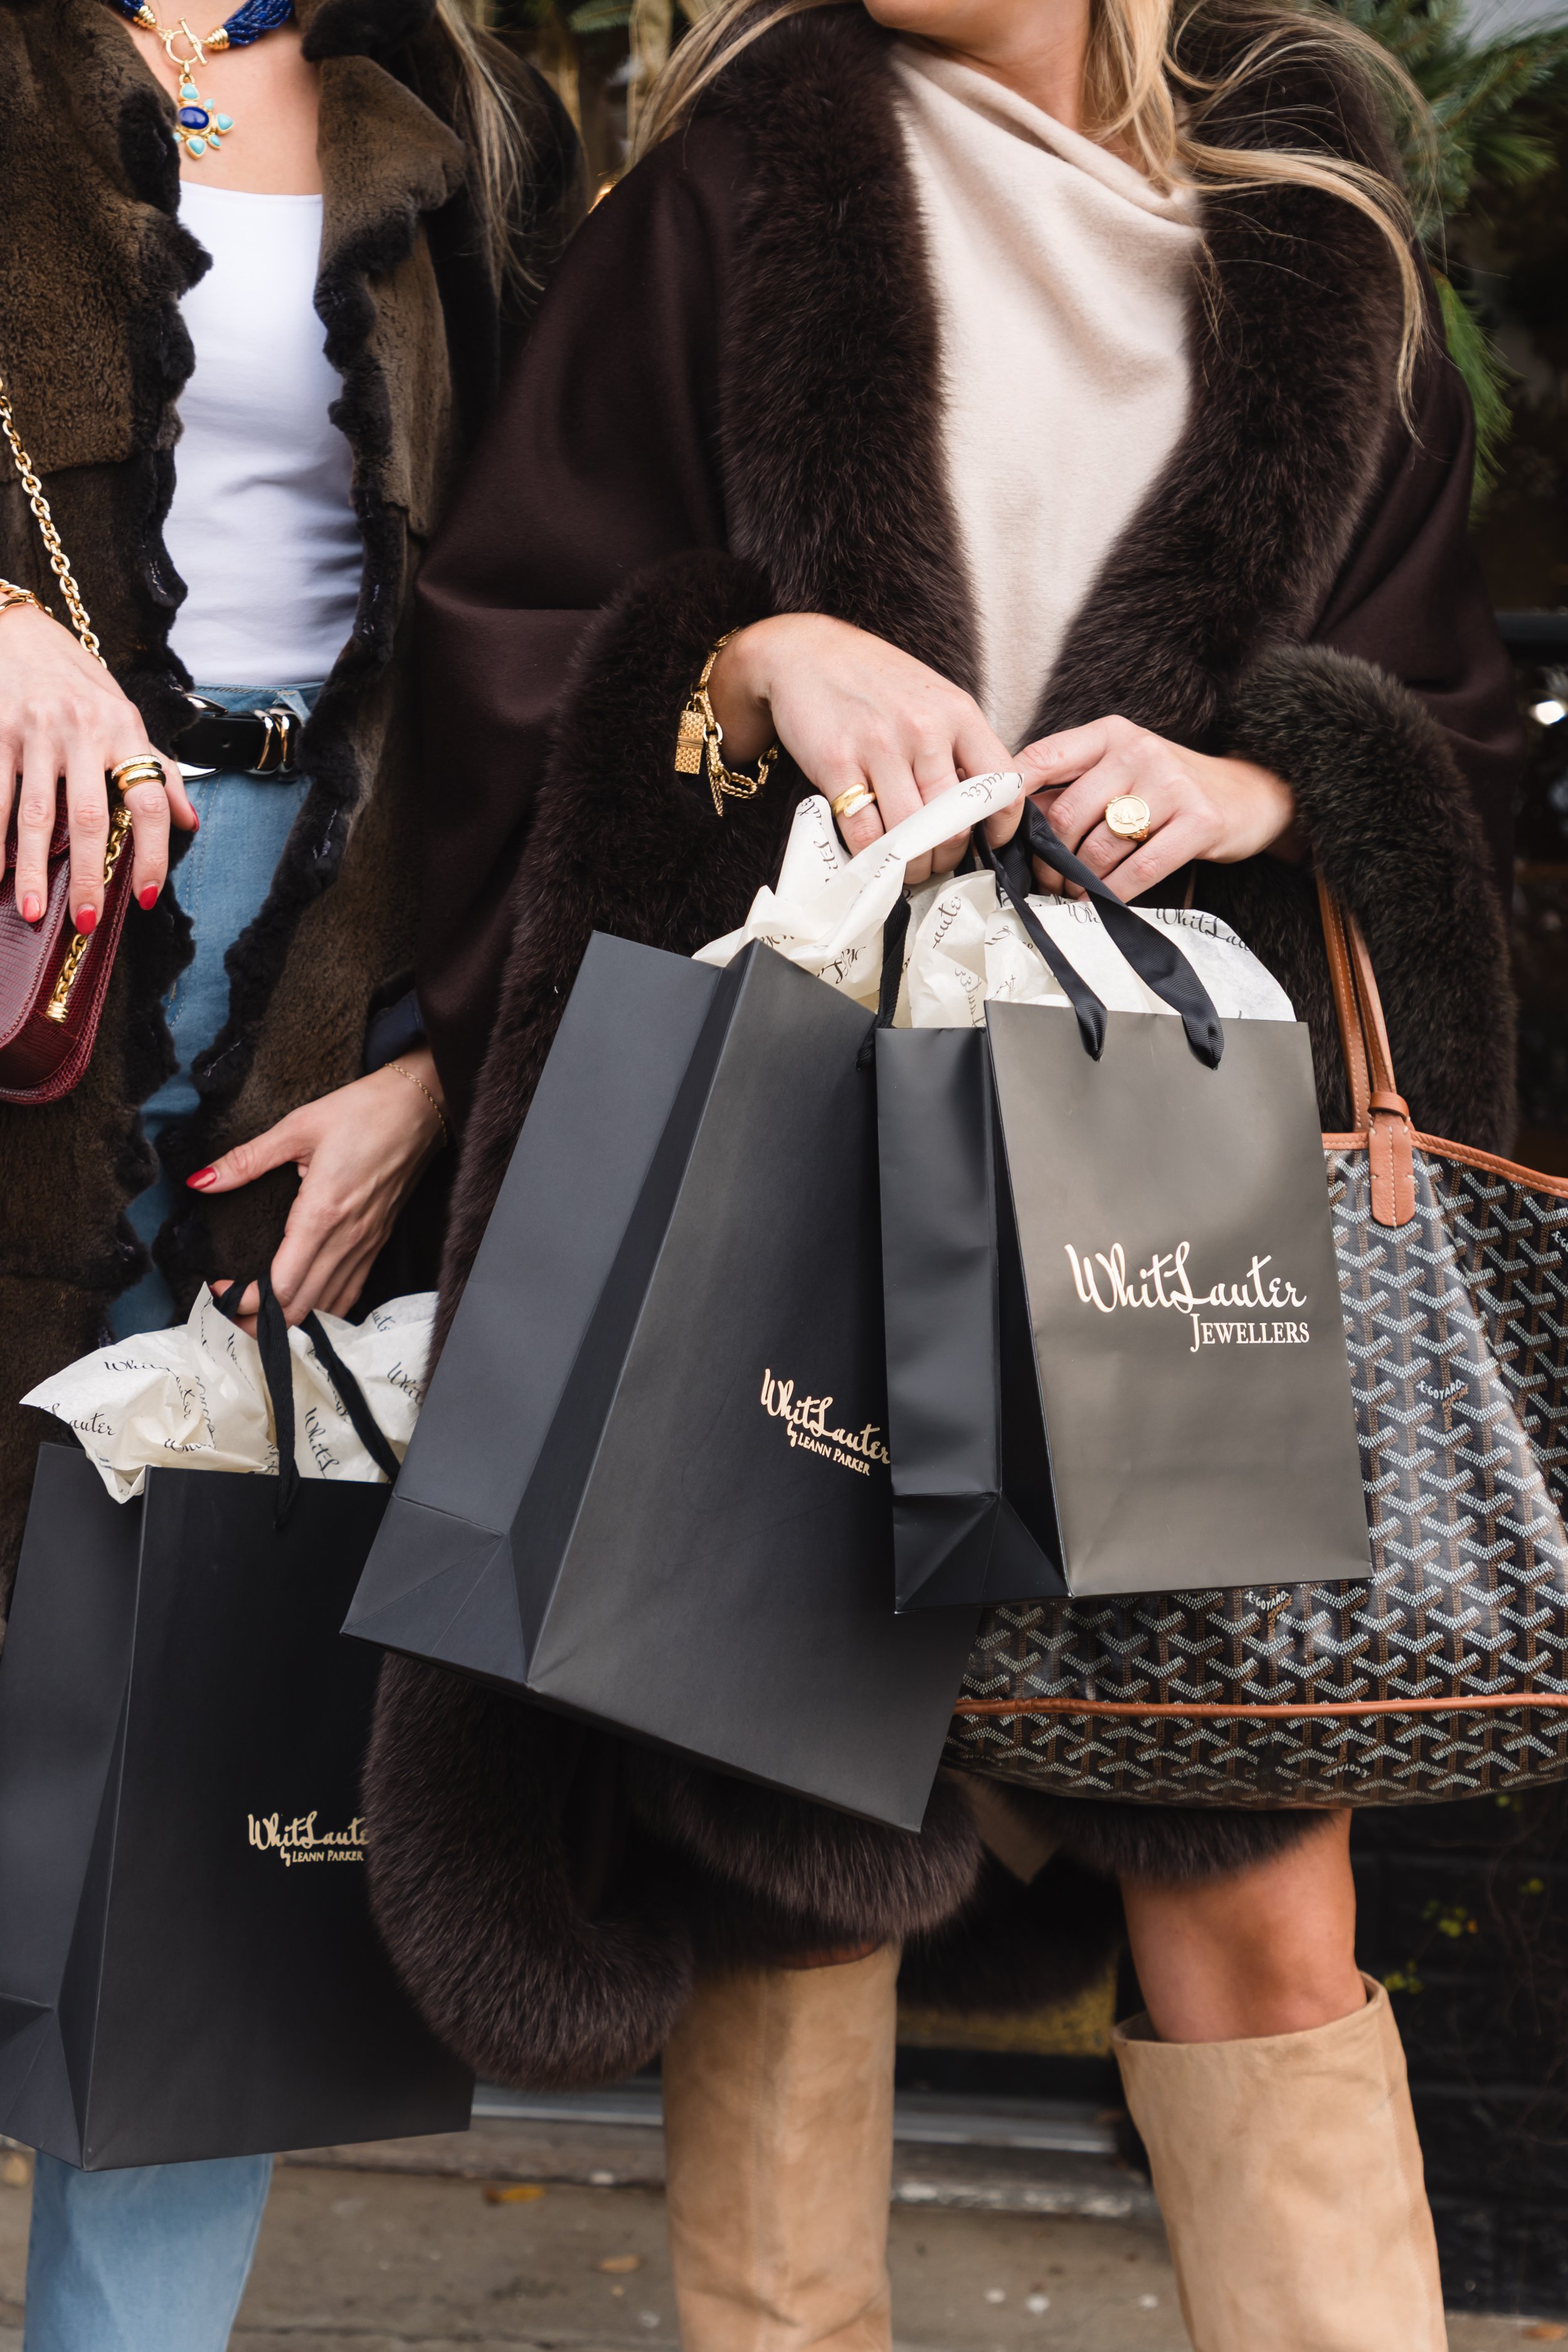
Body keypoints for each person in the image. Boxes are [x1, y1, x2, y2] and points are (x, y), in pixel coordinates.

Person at [369, 0, 1522, 2346]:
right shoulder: (732, 188)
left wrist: (1269, 784)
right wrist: (752, 654)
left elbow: (1446, 722)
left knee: (1256, 1892)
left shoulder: (1313, 237)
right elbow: (507, 634)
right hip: (812, 1156)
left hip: (1171, 1177)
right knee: (789, 1886)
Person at [0, 1, 580, 2344]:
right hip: (29, 920)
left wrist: (438, 1053)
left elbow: (545, 616)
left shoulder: (466, 98)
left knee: (214, 1733)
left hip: (322, 984)